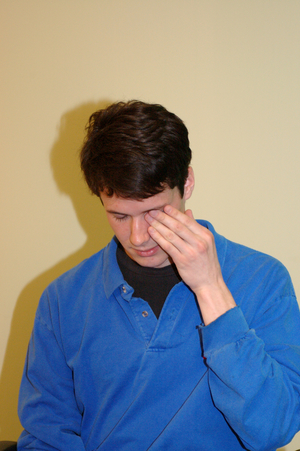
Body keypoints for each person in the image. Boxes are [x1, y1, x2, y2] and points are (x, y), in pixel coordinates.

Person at [18, 100, 300, 451]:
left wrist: (211, 288)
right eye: (119, 216)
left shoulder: (263, 279)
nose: (138, 237)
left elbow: (275, 428)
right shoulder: (63, 299)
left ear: (187, 182)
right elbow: (46, 436)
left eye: (153, 212)